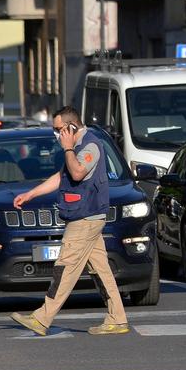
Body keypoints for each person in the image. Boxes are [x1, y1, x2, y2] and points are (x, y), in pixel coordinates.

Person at [10, 106, 129, 336]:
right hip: (86, 216)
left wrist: (67, 148)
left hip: (85, 219)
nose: (56, 135)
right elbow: (61, 176)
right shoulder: (76, 147)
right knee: (101, 271)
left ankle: (42, 318)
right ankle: (118, 318)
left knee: (64, 268)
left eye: (58, 130)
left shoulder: (90, 146)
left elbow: (76, 173)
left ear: (72, 127)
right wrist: (31, 194)